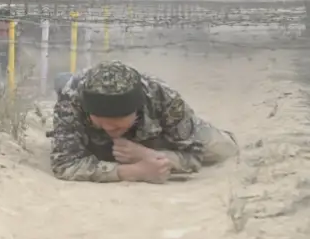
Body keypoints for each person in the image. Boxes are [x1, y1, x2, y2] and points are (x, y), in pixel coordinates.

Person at [51, 61, 239, 183]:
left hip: (156, 135)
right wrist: (133, 171)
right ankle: (64, 78)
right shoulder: (72, 98)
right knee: (63, 86)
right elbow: (64, 164)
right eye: (101, 123)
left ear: (137, 110)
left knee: (224, 149)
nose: (109, 129)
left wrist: (149, 154)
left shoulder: (163, 97)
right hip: (95, 138)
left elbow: (194, 155)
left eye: (116, 125)